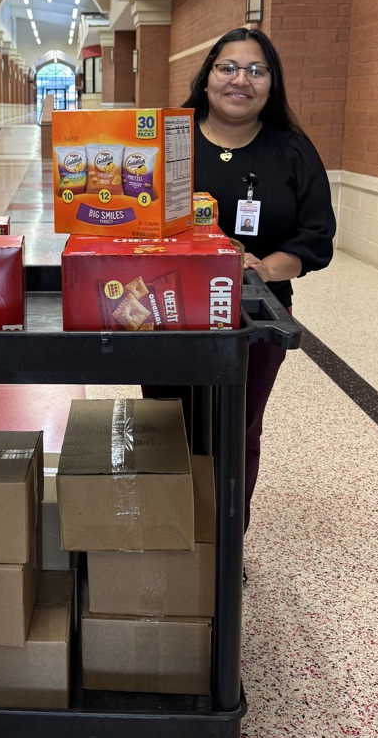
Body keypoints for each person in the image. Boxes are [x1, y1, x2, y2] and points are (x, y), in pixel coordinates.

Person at [144, 27, 336, 536]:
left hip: (255, 315)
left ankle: (225, 542)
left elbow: (316, 237)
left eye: (257, 70)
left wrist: (265, 268)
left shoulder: (291, 150)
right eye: (228, 67)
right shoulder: (169, 140)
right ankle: (171, 535)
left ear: (272, 85)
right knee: (170, 425)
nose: (241, 80)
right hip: (165, 310)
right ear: (206, 77)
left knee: (237, 427)